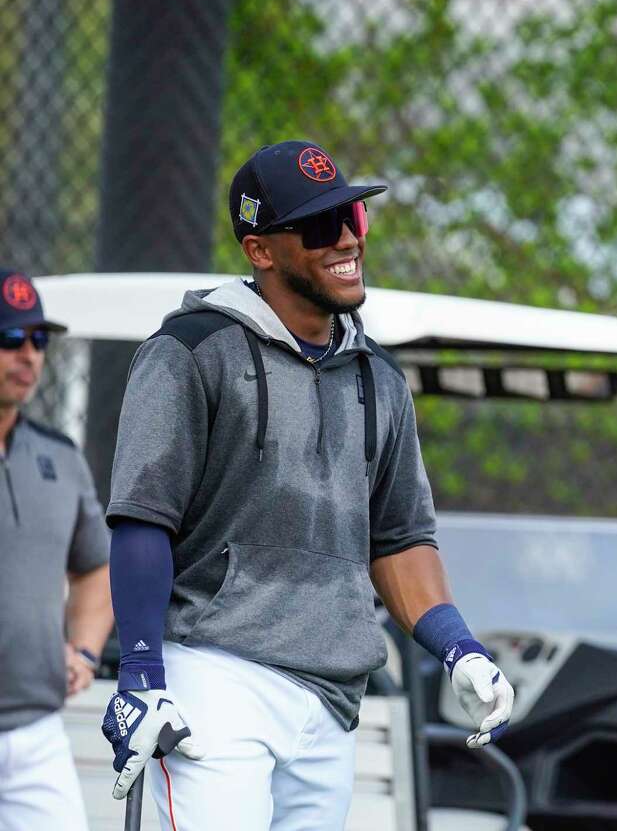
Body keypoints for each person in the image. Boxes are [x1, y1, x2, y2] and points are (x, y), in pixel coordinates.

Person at [100, 141, 515, 829]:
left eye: (352, 214)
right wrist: (141, 671)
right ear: (260, 250)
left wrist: (458, 646)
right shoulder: (191, 349)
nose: (349, 236)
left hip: (330, 696)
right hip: (213, 678)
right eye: (321, 226)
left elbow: (400, 536)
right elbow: (143, 516)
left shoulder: (379, 377)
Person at [0, 269, 112, 831]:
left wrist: (86, 651)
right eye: (11, 339)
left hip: (35, 734)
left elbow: (96, 564)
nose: (29, 355)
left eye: (39, 340)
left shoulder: (59, 457)